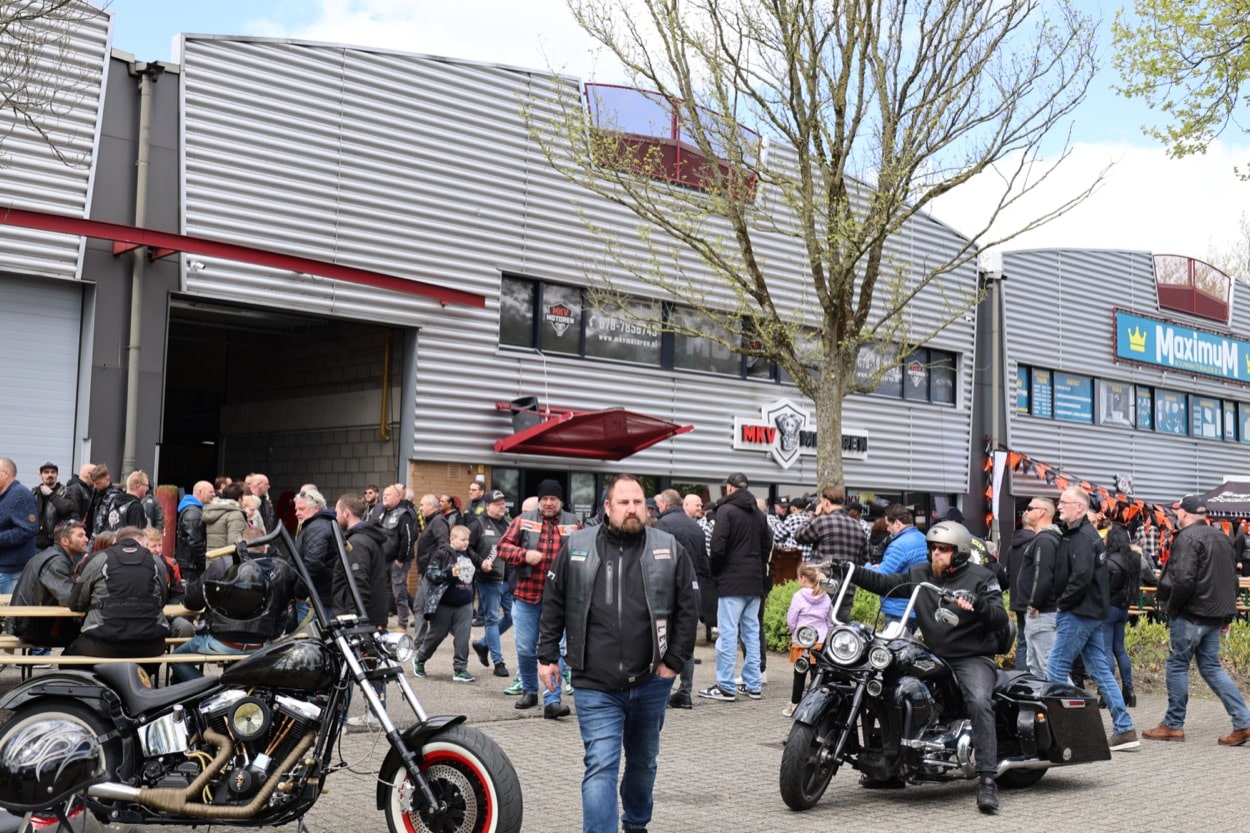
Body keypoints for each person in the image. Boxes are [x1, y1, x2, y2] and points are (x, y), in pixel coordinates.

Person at [537, 474, 698, 833]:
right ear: (608, 507)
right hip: (594, 682)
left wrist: (674, 662)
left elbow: (688, 607)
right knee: (600, 765)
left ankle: (636, 823)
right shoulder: (577, 546)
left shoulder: (669, 548)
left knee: (643, 762)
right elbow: (554, 601)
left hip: (651, 681)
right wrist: (547, 655)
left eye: (638, 502)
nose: (632, 508)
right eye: (624, 502)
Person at [850, 520, 1008, 813]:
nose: (935, 553)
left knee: (978, 701)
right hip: (932, 654)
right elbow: (885, 583)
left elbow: (999, 618)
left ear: (959, 552)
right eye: (933, 548)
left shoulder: (982, 577)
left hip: (971, 657)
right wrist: (849, 570)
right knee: (887, 686)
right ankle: (889, 765)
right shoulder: (920, 574)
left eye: (943, 549)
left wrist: (977, 602)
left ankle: (987, 779)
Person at [1143, 494, 1250, 745]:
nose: (1175, 516)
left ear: (1184, 513)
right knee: (1212, 668)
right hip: (1214, 614)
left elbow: (1183, 579)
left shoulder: (1187, 538)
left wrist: (1172, 608)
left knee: (1178, 666)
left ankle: (1173, 724)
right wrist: (1226, 614)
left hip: (1190, 614)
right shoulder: (1222, 538)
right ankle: (1244, 722)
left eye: (1177, 512)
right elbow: (1231, 581)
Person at [1044, 487, 1139, 752]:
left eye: (1064, 502)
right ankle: (1124, 729)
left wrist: (1063, 603)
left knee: (1055, 669)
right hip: (1092, 611)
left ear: (1080, 507)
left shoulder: (1081, 537)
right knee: (1100, 671)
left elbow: (1081, 576)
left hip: (1078, 612)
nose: (1059, 506)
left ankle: (1069, 730)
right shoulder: (1084, 535)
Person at [497, 479, 580, 716]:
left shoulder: (573, 523)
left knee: (556, 648)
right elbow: (502, 547)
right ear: (539, 501)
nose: (548, 503)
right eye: (545, 499)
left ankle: (552, 699)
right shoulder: (523, 520)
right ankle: (530, 691)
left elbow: (583, 553)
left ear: (560, 501)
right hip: (527, 596)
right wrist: (524, 555)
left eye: (553, 499)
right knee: (525, 647)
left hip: (559, 599)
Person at [170, 531, 296, 681]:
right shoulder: (280, 570)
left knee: (176, 659)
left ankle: (211, 690)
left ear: (238, 544)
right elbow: (282, 610)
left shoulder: (222, 565)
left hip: (221, 640)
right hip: (259, 643)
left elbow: (193, 602)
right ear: (266, 547)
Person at [699, 472, 771, 703]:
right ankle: (753, 684)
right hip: (754, 580)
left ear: (730, 488)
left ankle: (726, 686)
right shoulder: (759, 514)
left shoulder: (726, 511)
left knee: (728, 633)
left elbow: (717, 546)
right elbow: (767, 545)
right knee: (751, 632)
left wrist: (716, 571)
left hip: (731, 581)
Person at [68, 525, 171, 660]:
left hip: (104, 644)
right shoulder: (156, 561)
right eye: (146, 545)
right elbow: (163, 600)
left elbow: (76, 603)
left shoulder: (98, 559)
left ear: (117, 540)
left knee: (69, 657)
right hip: (151, 645)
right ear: (139, 541)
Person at [652, 488, 707, 709]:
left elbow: (656, 560)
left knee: (663, 638)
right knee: (686, 639)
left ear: (664, 505)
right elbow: (704, 562)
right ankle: (685, 692)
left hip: (669, 588)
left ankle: (661, 693)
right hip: (693, 588)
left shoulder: (663, 525)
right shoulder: (696, 527)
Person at [6, 519, 87, 648]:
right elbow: (68, 599)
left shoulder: (50, 554)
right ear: (65, 541)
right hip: (34, 630)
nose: (86, 539)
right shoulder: (56, 562)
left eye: (85, 535)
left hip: (28, 624)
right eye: (80, 536)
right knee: (91, 634)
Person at [413, 524, 478, 682]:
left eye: (467, 540)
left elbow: (479, 566)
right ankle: (420, 659)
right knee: (437, 635)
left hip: (465, 603)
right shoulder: (441, 553)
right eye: (462, 540)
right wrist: (449, 573)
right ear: (452, 539)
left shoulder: (469, 553)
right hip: (444, 603)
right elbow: (431, 574)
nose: (466, 543)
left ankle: (460, 669)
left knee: (463, 637)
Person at [793, 485, 868, 623]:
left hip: (822, 585)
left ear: (826, 502)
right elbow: (864, 559)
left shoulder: (822, 522)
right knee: (840, 629)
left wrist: (814, 515)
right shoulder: (858, 526)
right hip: (847, 586)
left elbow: (799, 535)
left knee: (818, 628)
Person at [470, 489, 514, 678]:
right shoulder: (478, 524)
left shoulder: (510, 523)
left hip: (509, 580)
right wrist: (481, 563)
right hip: (489, 580)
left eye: (503, 503)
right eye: (498, 504)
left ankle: (483, 644)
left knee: (512, 617)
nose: (502, 506)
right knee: (492, 619)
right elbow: (468, 548)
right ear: (487, 506)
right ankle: (498, 662)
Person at [1018, 497, 1063, 677]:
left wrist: (1034, 604)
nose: (1026, 512)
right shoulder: (1048, 539)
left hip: (1042, 614)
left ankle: (1069, 696)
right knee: (1037, 667)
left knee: (1050, 669)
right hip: (1042, 613)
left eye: (1030, 508)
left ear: (1042, 512)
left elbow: (1043, 574)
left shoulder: (1045, 540)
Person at [866, 503, 928, 632]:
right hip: (920, 608)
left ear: (897, 523)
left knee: (894, 643)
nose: (888, 530)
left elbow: (880, 577)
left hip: (899, 610)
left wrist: (867, 566)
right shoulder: (924, 539)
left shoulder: (899, 545)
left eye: (888, 525)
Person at [782, 563, 831, 718]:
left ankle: (794, 706)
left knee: (799, 674)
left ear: (803, 578)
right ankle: (816, 708)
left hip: (802, 642)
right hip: (820, 643)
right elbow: (830, 621)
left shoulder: (798, 596)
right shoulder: (825, 596)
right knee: (817, 676)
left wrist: (795, 633)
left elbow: (791, 619)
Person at [1103, 523, 1139, 707]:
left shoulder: (1108, 562)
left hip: (1108, 609)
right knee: (1120, 649)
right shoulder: (1133, 560)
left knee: (1106, 649)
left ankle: (1107, 692)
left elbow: (1103, 588)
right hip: (1123, 608)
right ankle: (1129, 691)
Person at [376, 484, 416, 630]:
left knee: (399, 593)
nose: (385, 496)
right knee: (384, 593)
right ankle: (382, 622)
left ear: (398, 497)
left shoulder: (404, 514)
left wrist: (400, 559)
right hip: (383, 560)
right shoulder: (383, 513)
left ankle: (402, 624)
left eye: (389, 494)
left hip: (397, 561)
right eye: (384, 494)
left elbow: (408, 538)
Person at [293, 489, 337, 619]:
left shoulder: (317, 528)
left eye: (302, 509)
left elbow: (313, 564)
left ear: (316, 508)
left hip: (316, 601)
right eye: (296, 509)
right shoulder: (318, 525)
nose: (297, 513)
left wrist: (299, 592)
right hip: (319, 598)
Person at [0, 458, 39, 594]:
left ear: (6, 473)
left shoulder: (20, 495)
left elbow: (28, 529)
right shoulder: (4, 496)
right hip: (4, 568)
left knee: (11, 607)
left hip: (12, 571)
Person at [175, 480, 214, 587]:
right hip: (192, 564)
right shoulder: (193, 513)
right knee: (194, 591)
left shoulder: (195, 510)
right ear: (200, 492)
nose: (214, 495)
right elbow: (194, 541)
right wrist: (204, 560)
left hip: (191, 562)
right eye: (210, 492)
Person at [32, 462, 74, 550]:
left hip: (56, 543)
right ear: (40, 475)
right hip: (36, 543)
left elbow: (65, 508)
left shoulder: (66, 491)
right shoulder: (34, 493)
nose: (50, 475)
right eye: (46, 472)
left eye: (53, 472)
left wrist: (51, 494)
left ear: (57, 474)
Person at [204, 482, 248, 549]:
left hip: (212, 554)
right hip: (227, 555)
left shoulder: (212, 510)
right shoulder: (235, 515)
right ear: (239, 498)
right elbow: (235, 543)